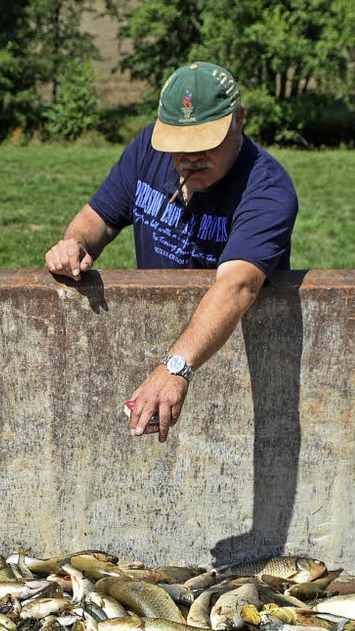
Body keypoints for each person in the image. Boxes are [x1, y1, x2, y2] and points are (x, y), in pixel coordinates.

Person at [45, 61, 298, 442]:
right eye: (177, 146)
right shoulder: (148, 150)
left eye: (203, 143)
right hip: (164, 357)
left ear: (239, 120)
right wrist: (74, 244)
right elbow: (98, 218)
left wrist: (175, 367)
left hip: (217, 355)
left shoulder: (267, 189)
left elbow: (238, 286)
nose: (187, 158)